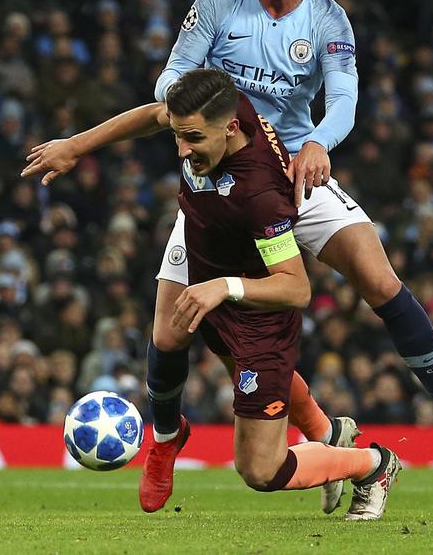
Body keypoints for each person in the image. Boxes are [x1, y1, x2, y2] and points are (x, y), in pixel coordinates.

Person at [24, 0, 433, 467]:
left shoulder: (327, 18)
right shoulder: (218, 2)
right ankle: (167, 440)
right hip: (220, 181)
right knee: (170, 326)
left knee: (380, 279)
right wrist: (186, 105)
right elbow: (171, 82)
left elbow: (346, 98)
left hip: (295, 173)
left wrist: (317, 143)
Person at [138, 69, 401, 520]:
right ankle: (322, 430)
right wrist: (75, 147)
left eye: (193, 139)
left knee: (260, 470)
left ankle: (373, 465)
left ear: (230, 129)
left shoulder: (260, 195)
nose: (182, 151)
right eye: (179, 137)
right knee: (166, 335)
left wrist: (224, 287)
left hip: (256, 315)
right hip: (216, 273)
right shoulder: (222, 109)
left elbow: (297, 288)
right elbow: (152, 115)